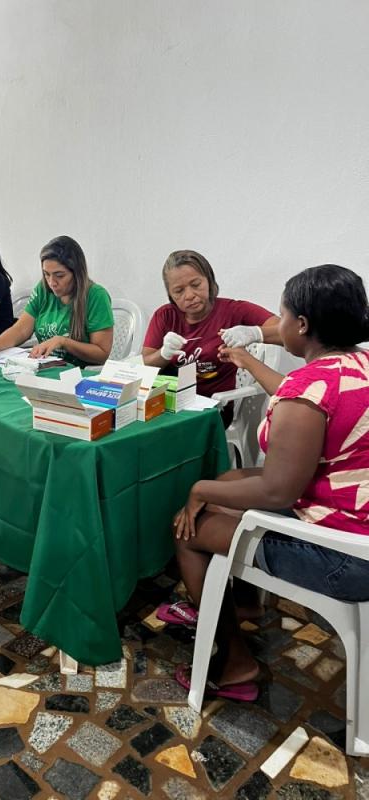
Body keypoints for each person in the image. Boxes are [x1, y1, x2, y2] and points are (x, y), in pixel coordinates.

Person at [163, 264, 369, 701]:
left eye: (283, 315)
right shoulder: (355, 365)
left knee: (189, 526)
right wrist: (246, 355)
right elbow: (298, 395)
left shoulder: (310, 389)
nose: (278, 324)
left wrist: (198, 491)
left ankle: (236, 662)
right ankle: (246, 602)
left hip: (343, 556)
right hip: (354, 518)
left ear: (302, 325)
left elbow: (279, 492)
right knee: (234, 476)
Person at [142, 250, 281, 399]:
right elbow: (145, 365)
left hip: (215, 406)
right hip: (171, 402)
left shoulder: (233, 311)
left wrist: (255, 333)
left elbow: (286, 331)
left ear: (209, 280)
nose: (189, 295)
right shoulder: (164, 316)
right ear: (170, 294)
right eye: (179, 291)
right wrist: (164, 353)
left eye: (196, 285)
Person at [0, 235, 114, 367]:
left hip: (78, 373)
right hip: (45, 368)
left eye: (59, 275)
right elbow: (21, 330)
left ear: (77, 273)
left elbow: (101, 354)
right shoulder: (43, 289)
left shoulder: (96, 296)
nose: (52, 282)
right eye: (46, 274)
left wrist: (63, 342)